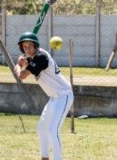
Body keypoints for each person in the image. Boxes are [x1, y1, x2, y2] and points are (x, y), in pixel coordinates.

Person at [14, 32, 74, 160]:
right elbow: (30, 64)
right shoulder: (34, 58)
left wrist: (18, 65)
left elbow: (22, 76)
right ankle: (44, 157)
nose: (27, 48)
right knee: (42, 128)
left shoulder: (41, 57)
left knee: (53, 130)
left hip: (63, 95)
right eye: (24, 46)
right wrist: (25, 62)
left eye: (30, 45)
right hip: (53, 98)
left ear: (36, 45)